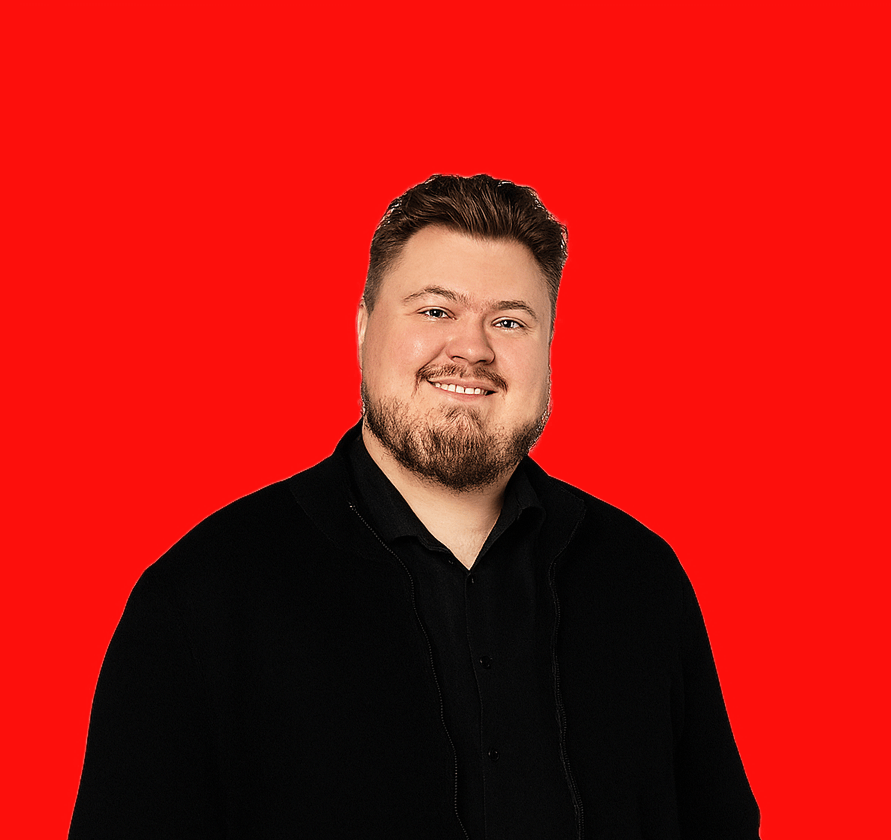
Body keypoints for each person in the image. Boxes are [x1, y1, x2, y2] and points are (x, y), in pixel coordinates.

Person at [69, 174, 760, 839]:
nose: (472, 348)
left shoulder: (641, 577)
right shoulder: (201, 597)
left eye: (510, 321)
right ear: (362, 327)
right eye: (435, 310)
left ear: (548, 347)